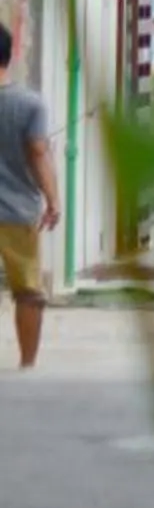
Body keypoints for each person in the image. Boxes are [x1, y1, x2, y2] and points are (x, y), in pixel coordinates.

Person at [0, 22, 61, 371]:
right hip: (17, 213)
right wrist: (53, 200)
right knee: (28, 292)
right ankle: (27, 364)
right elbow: (38, 153)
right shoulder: (29, 104)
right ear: (10, 55)